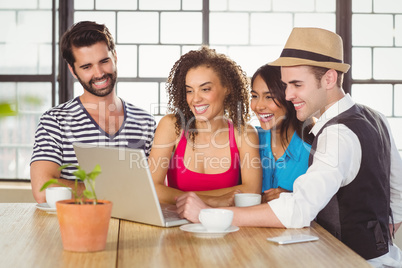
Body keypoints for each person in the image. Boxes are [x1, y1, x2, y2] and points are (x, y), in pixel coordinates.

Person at [176, 28, 402, 267]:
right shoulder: (374, 116)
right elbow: (397, 187)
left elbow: (298, 210)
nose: (289, 95)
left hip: (352, 261)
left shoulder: (337, 135)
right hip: (379, 257)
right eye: (285, 85)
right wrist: (381, 235)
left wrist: (206, 215)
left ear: (329, 79)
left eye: (296, 84)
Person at [30, 21, 156, 204]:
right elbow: (43, 190)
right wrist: (111, 191)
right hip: (76, 227)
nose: (99, 73)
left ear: (115, 57)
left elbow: (155, 188)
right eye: (87, 67)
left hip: (134, 228)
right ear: (73, 70)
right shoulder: (54, 122)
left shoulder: (146, 122)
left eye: (104, 61)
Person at [148, 46, 262, 207]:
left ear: (227, 88)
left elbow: (251, 191)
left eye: (205, 89)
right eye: (189, 91)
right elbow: (152, 187)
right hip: (177, 225)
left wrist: (185, 198)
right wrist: (213, 200)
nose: (195, 99)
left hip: (226, 226)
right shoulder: (171, 126)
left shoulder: (244, 133)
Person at [250, 64, 313, 202]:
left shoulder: (313, 148)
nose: (258, 106)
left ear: (290, 98)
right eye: (254, 96)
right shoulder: (251, 140)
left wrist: (294, 197)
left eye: (269, 97)